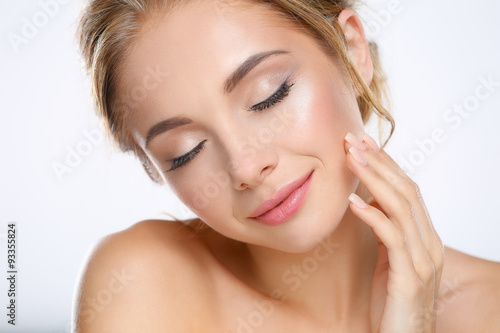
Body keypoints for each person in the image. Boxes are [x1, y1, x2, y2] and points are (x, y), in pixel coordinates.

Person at [72, 0, 500, 331]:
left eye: (269, 96)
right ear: (154, 168)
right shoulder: (142, 284)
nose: (244, 166)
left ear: (351, 50)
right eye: (185, 151)